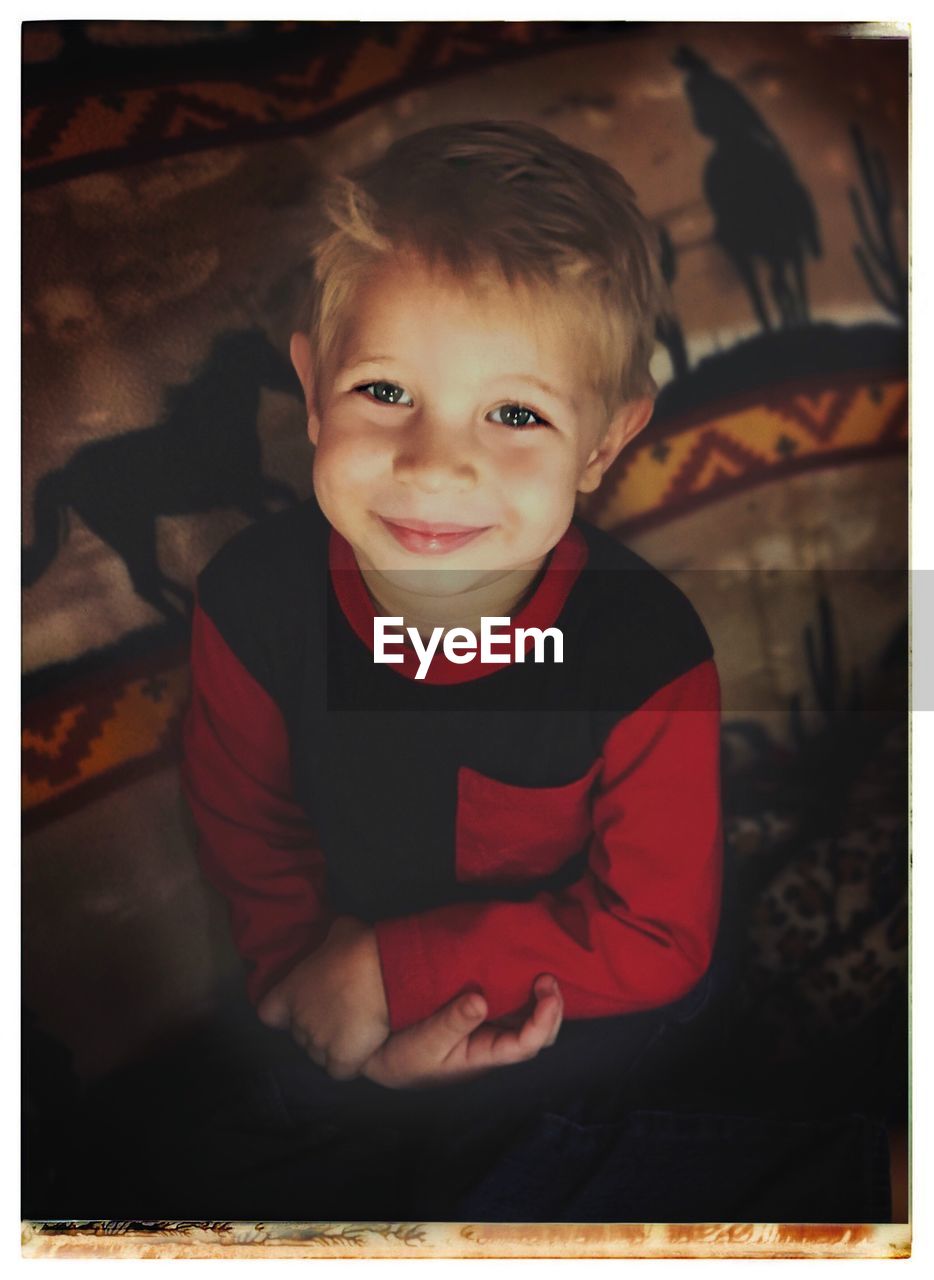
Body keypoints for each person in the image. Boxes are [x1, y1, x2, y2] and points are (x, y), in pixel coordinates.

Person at [179, 119, 723, 1221]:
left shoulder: (644, 652)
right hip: (326, 1011)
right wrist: (311, 986)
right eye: (384, 392)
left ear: (604, 445)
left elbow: (658, 932)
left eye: (515, 413)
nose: (436, 463)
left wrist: (399, 974)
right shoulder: (252, 604)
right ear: (311, 380)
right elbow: (246, 822)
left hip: (574, 1041)